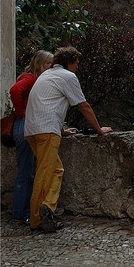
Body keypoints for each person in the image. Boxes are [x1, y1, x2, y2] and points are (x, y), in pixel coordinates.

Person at [24, 46, 112, 232]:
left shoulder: (46, 75)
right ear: (69, 62)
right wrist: (99, 130)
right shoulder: (67, 76)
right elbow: (84, 106)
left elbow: (45, 103)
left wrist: (61, 130)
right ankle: (37, 218)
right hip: (46, 131)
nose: (77, 67)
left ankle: (47, 206)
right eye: (77, 63)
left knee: (56, 170)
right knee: (44, 174)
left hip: (33, 129)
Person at [9, 50, 54, 222]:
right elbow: (15, 91)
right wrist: (22, 113)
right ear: (41, 64)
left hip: (26, 125)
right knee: (26, 171)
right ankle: (22, 213)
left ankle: (23, 212)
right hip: (24, 125)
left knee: (27, 169)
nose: (51, 67)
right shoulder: (30, 78)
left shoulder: (34, 79)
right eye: (49, 63)